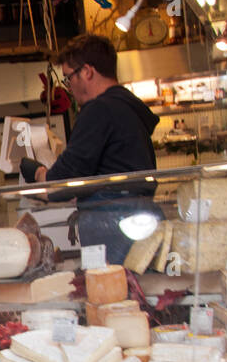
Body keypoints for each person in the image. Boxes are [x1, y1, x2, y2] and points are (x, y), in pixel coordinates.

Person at [21, 34, 161, 265]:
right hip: (140, 223)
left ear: (87, 71)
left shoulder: (99, 110)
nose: (69, 88)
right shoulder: (128, 107)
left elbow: (59, 184)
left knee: (110, 295)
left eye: (68, 78)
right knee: (133, 294)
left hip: (112, 227)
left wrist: (37, 173)